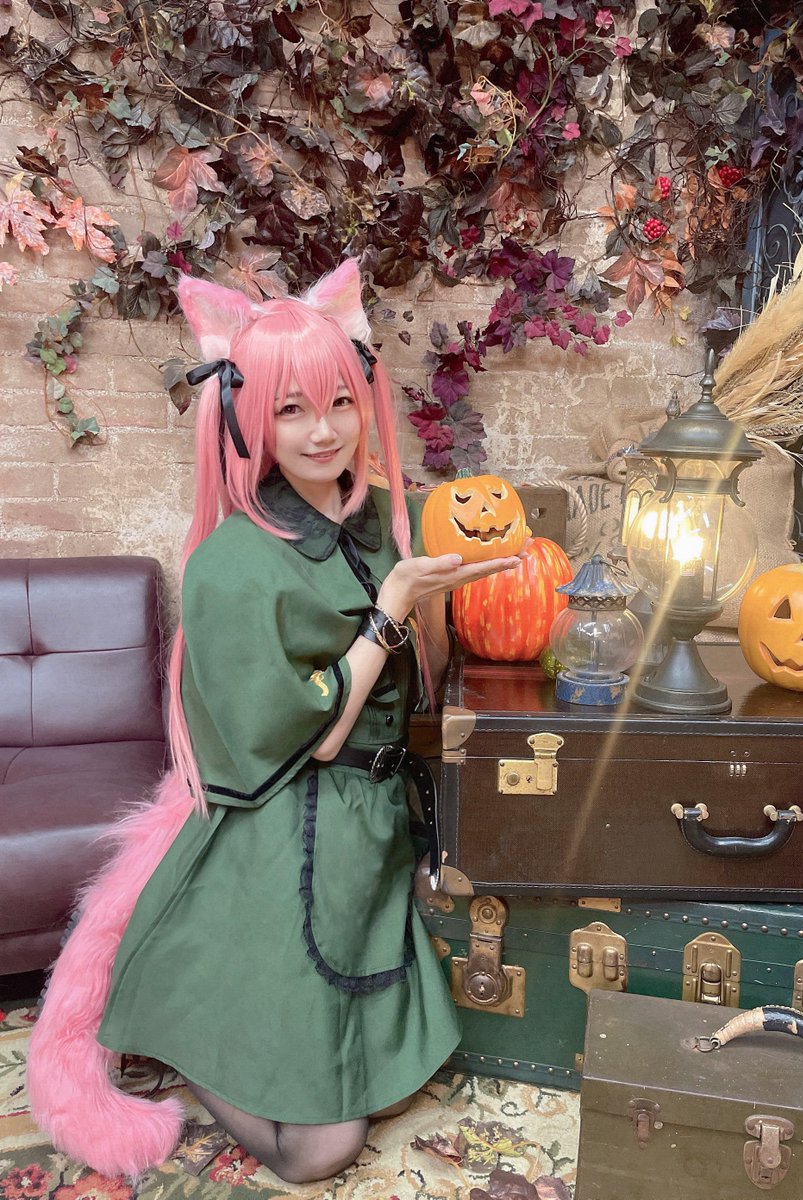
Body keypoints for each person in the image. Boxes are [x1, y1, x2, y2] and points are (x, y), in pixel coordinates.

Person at [26, 259, 520, 1184]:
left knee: (382, 1084)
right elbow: (314, 734)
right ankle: (189, 1043)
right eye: (291, 410)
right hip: (290, 828)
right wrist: (391, 610)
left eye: (339, 402)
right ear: (249, 419)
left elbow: (427, 681)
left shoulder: (389, 520)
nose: (323, 430)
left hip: (377, 824)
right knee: (318, 1151)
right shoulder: (231, 563)